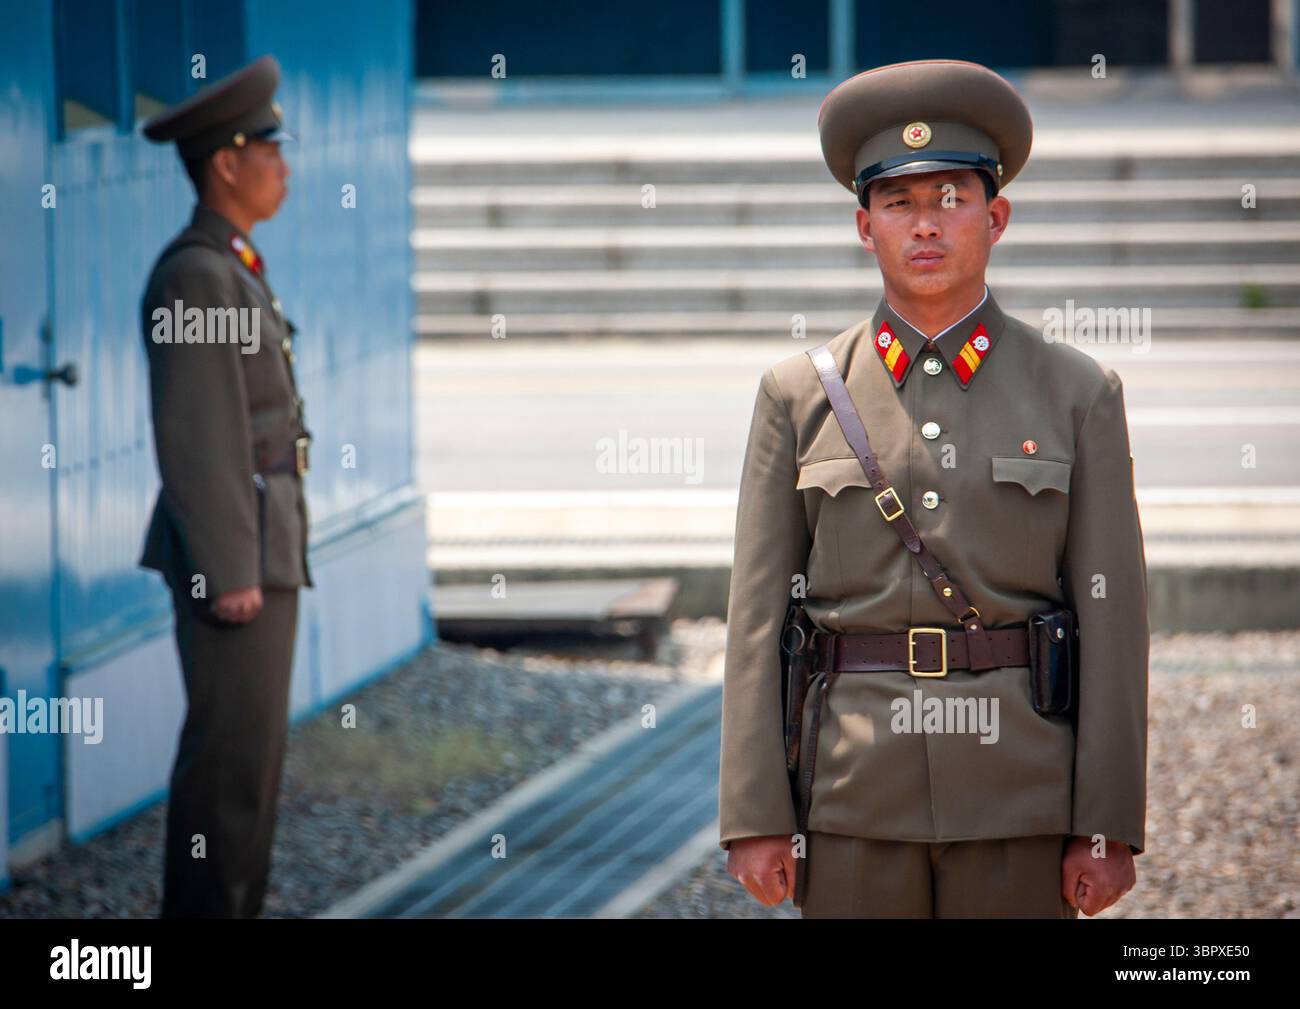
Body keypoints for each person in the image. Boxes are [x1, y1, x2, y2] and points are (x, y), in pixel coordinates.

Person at [717, 59, 1148, 918]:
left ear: (996, 218)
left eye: (950, 199)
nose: (925, 225)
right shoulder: (798, 395)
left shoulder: (1075, 391)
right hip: (850, 798)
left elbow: (1113, 618)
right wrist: (757, 816)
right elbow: (757, 616)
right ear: (863, 224)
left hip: (1018, 795)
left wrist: (1105, 825)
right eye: (898, 203)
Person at [138, 54, 312, 917]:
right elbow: (199, 436)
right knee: (227, 773)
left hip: (262, 538)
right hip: (236, 554)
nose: (284, 166)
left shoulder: (228, 263)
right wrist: (227, 566)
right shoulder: (196, 274)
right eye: (269, 149)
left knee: (251, 767)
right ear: (226, 163)